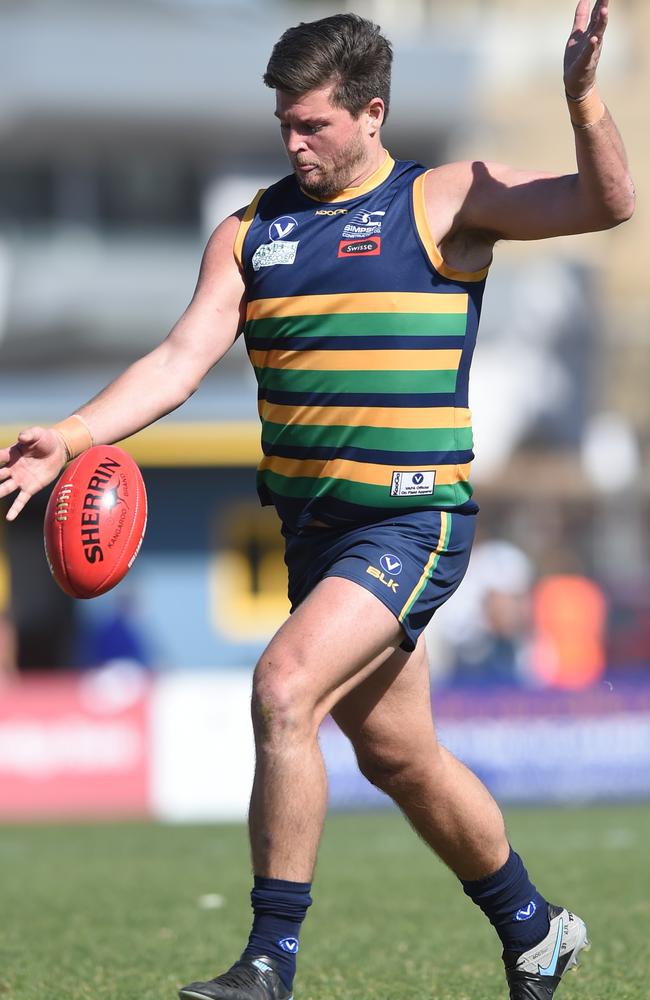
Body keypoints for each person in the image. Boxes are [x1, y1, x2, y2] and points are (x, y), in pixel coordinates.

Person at [0, 3, 634, 998]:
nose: (294, 143)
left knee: (284, 687)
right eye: (284, 126)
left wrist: (581, 99)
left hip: (412, 518)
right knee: (399, 756)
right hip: (315, 532)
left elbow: (605, 203)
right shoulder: (251, 232)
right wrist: (72, 435)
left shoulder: (443, 200)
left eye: (314, 126)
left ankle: (267, 961)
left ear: (370, 113)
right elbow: (178, 359)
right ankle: (534, 926)